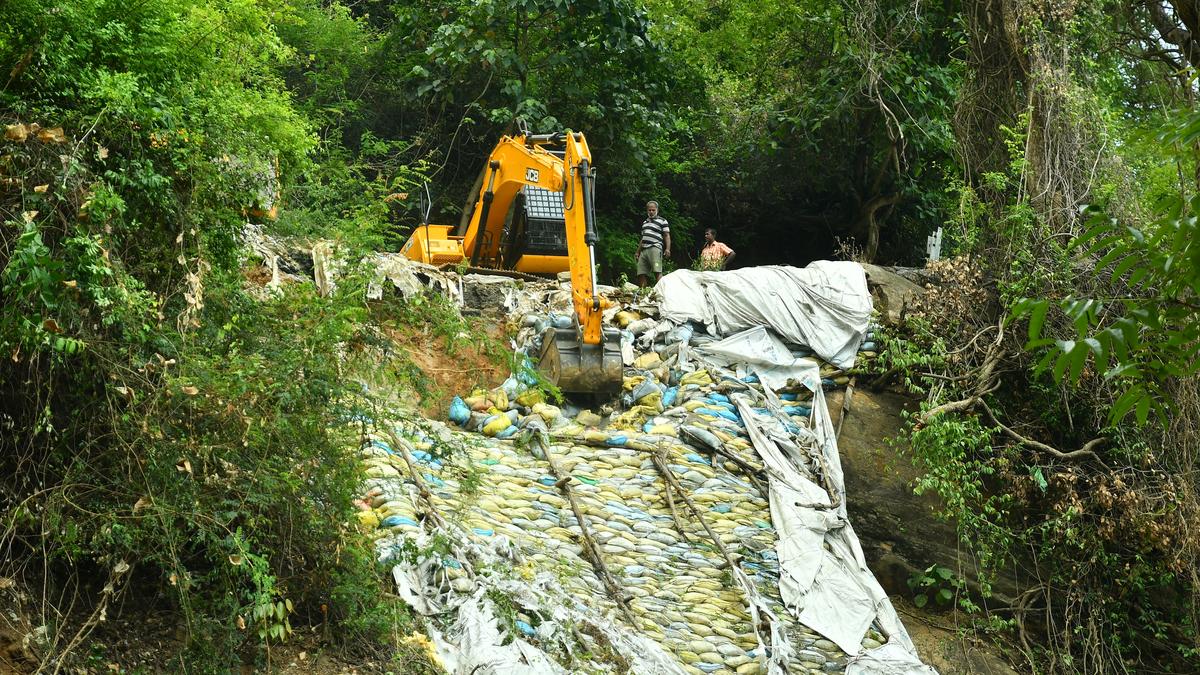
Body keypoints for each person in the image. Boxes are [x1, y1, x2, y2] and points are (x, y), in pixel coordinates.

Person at [636, 200, 670, 287]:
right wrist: (637, 252)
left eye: (653, 210)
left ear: (657, 210)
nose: (651, 212)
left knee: (657, 271)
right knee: (641, 273)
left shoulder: (662, 221)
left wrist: (667, 249)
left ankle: (661, 293)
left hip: (655, 247)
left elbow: (666, 235)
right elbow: (643, 238)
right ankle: (643, 293)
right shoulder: (645, 222)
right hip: (644, 250)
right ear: (647, 210)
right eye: (649, 210)